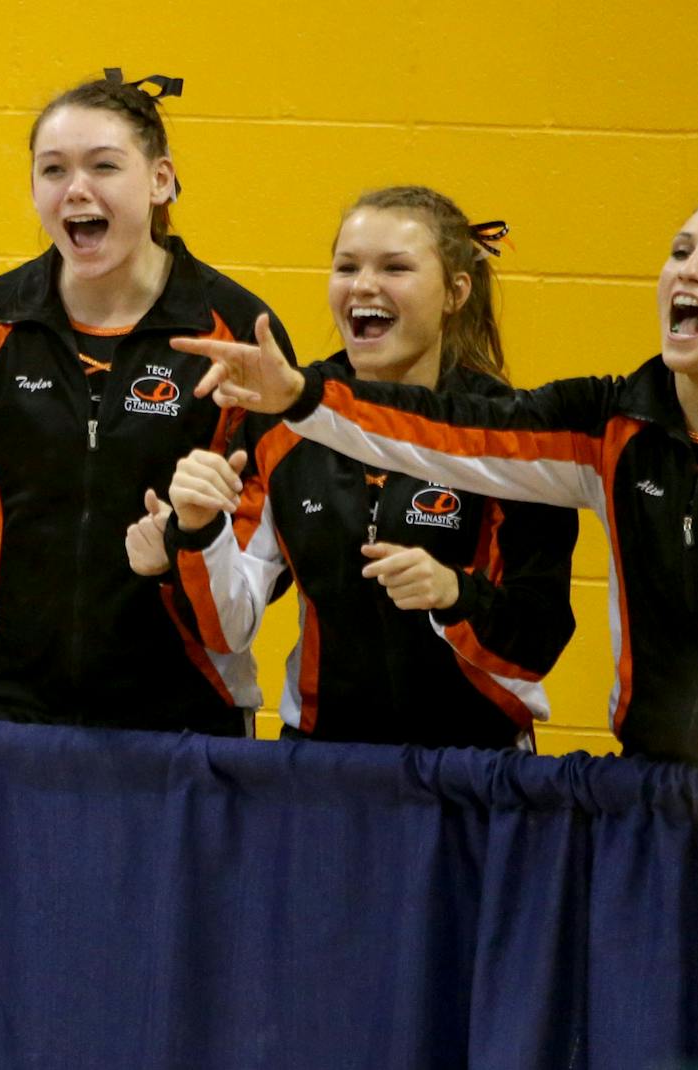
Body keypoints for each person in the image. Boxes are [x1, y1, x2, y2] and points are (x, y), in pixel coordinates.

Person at [179, 192, 698, 764]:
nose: (688, 270)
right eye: (680, 252)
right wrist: (301, 399)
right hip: (649, 787)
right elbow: (447, 434)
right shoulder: (609, 423)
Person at [0, 70, 294, 730]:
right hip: (7, 708)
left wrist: (183, 550)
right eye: (53, 170)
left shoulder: (237, 332)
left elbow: (268, 556)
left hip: (184, 714)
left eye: (104, 166)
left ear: (161, 180)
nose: (76, 188)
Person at [129, 187, 577, 747]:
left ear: (455, 292)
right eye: (347, 266)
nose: (364, 285)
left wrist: (454, 594)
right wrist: (194, 535)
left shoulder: (509, 435)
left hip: (474, 767)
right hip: (323, 763)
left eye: (395, 267)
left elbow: (537, 643)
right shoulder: (281, 423)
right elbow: (227, 627)